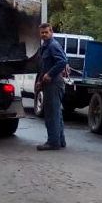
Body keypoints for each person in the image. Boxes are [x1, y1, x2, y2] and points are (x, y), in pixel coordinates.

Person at [36, 23, 68, 151]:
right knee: (56, 113)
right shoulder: (45, 46)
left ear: (51, 32)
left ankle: (53, 142)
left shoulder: (53, 45)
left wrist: (50, 74)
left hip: (54, 84)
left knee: (51, 113)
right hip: (49, 83)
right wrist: (40, 81)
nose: (44, 34)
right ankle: (60, 140)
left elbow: (62, 61)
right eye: (42, 32)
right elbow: (44, 66)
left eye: (46, 32)